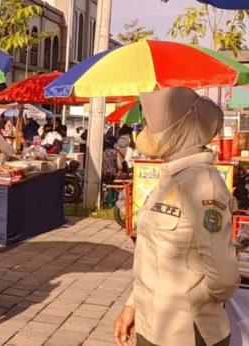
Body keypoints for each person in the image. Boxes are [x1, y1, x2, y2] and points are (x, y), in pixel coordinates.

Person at [114, 87, 240, 346]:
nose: (145, 133)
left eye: (153, 125)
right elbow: (152, 259)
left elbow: (224, 278)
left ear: (178, 129)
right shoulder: (171, 178)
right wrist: (132, 305)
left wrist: (190, 298)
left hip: (186, 333)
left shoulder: (203, 185)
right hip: (150, 326)